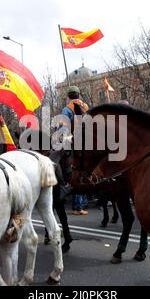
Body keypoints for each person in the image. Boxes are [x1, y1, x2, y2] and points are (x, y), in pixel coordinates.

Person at [59, 86, 89, 215]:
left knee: (70, 167)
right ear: (79, 94)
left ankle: (76, 203)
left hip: (74, 140)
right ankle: (82, 204)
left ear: (68, 96)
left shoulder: (67, 109)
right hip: (88, 141)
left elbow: (63, 126)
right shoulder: (86, 106)